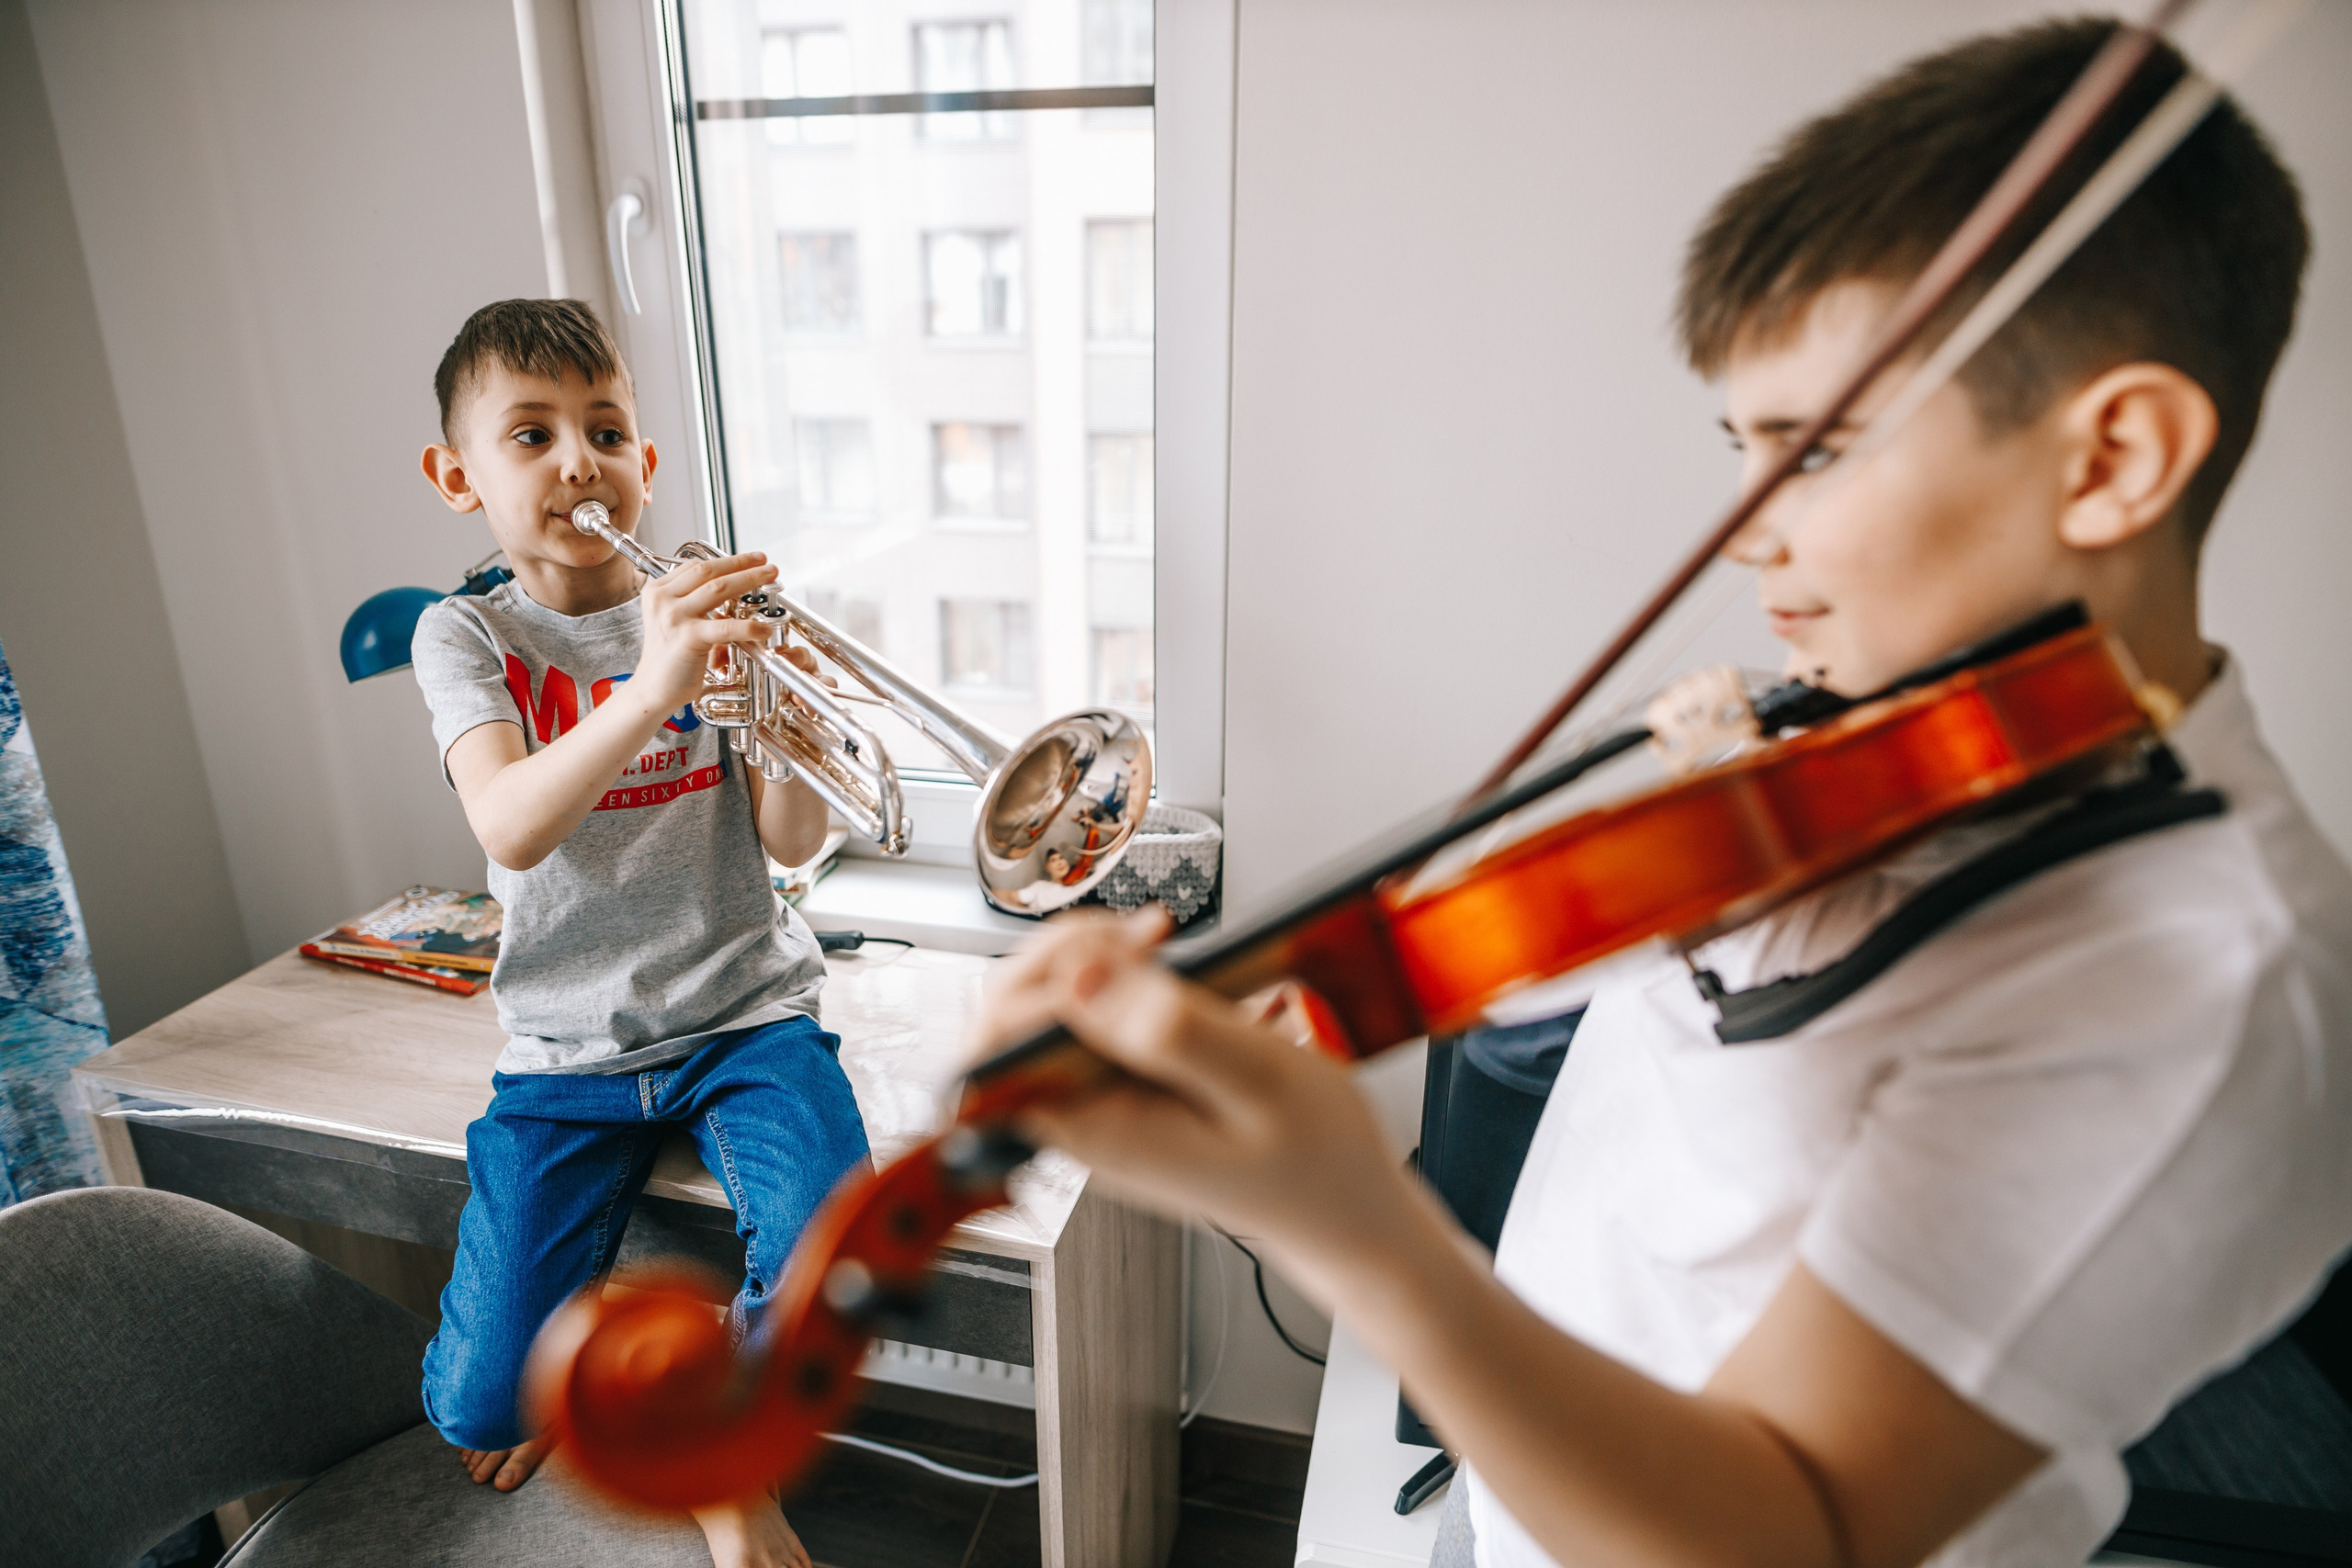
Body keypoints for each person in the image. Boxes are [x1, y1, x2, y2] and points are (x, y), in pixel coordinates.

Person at [966, 21, 2352, 1568]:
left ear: (2114, 461)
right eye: (1740, 455)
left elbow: (1784, 1532)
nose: (1749, 537)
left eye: (1811, 454)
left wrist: (1351, 1222)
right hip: (1524, 1481)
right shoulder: (1871, 761)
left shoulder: (2203, 984)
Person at [412, 298, 865, 1568]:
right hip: (566, 1048)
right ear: (460, 478)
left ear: (645, 466)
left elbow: (783, 841)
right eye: (532, 435)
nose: (578, 461)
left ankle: (718, 1460)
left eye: (606, 430)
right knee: (477, 1411)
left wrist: (791, 715)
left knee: (835, 1247)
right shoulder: (468, 635)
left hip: (741, 1014)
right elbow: (509, 822)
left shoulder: (698, 606)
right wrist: (650, 688)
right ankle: (589, 1322)